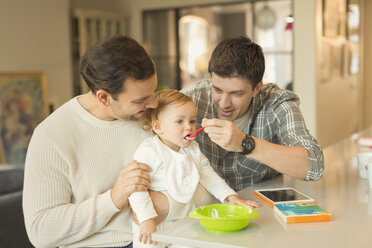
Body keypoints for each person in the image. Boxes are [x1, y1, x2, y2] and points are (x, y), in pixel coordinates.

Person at [22, 36, 177, 248]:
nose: (153, 103)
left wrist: (169, 204)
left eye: (153, 92)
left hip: (163, 240)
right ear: (104, 97)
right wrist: (114, 198)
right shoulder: (51, 136)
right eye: (140, 100)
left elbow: (201, 180)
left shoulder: (156, 117)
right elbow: (41, 231)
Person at [182, 36, 324, 191]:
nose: (224, 103)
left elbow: (314, 166)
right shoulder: (191, 98)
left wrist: (246, 144)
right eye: (217, 90)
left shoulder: (277, 104)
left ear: (257, 88)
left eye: (236, 93)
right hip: (203, 207)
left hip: (258, 206)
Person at [128, 89, 260, 247]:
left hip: (183, 222)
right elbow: (136, 189)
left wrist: (230, 196)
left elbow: (208, 175)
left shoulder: (193, 149)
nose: (189, 127)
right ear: (158, 127)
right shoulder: (149, 151)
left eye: (192, 121)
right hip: (151, 226)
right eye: (180, 121)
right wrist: (146, 219)